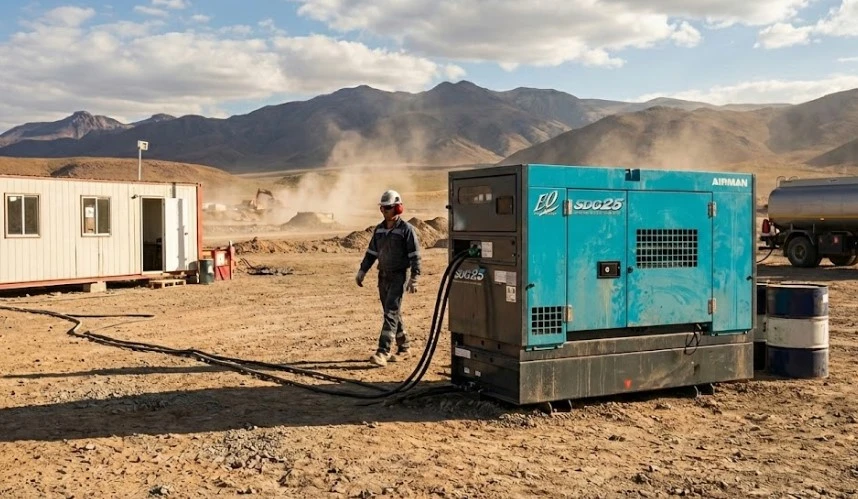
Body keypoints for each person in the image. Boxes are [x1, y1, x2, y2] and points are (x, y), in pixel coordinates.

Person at [355, 189, 421, 367]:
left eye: (388, 207)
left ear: (398, 208)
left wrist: (414, 277)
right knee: (392, 312)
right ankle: (404, 347)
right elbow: (371, 252)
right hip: (383, 275)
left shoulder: (406, 230)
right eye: (382, 208)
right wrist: (362, 271)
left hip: (399, 275)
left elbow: (415, 255)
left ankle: (382, 352)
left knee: (391, 312)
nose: (384, 211)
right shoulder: (379, 230)